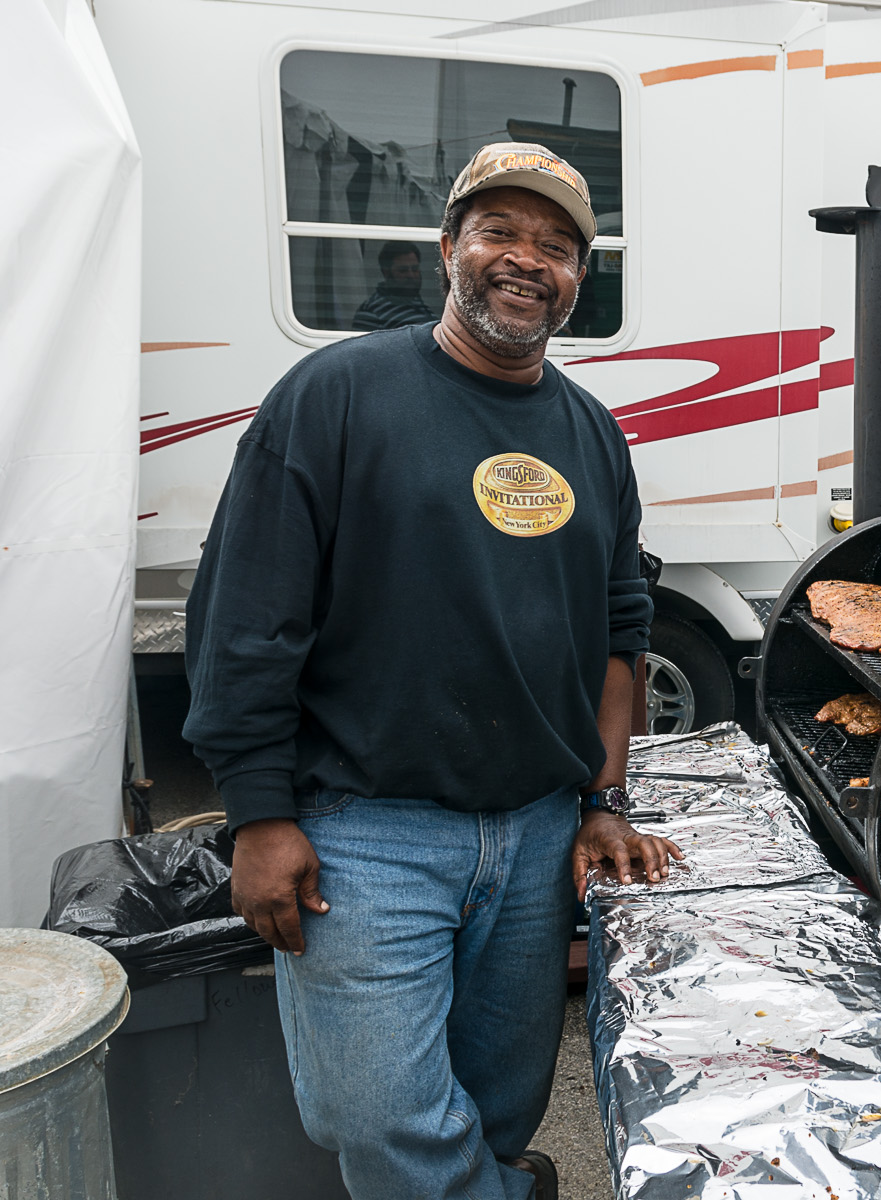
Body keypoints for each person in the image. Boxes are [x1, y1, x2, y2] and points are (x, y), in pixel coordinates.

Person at [183, 142, 681, 1200]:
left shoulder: (591, 432)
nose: (525, 260)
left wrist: (602, 799)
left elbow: (618, 624)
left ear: (577, 282)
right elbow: (245, 621)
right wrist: (258, 816)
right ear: (450, 247)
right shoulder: (335, 394)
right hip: (367, 829)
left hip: (540, 824)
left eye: (556, 246)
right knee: (380, 1118)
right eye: (499, 231)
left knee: (503, 1101)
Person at [350, 240, 435, 330]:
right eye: (403, 270)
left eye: (414, 269)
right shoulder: (370, 312)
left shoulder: (417, 303)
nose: (411, 275)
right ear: (386, 273)